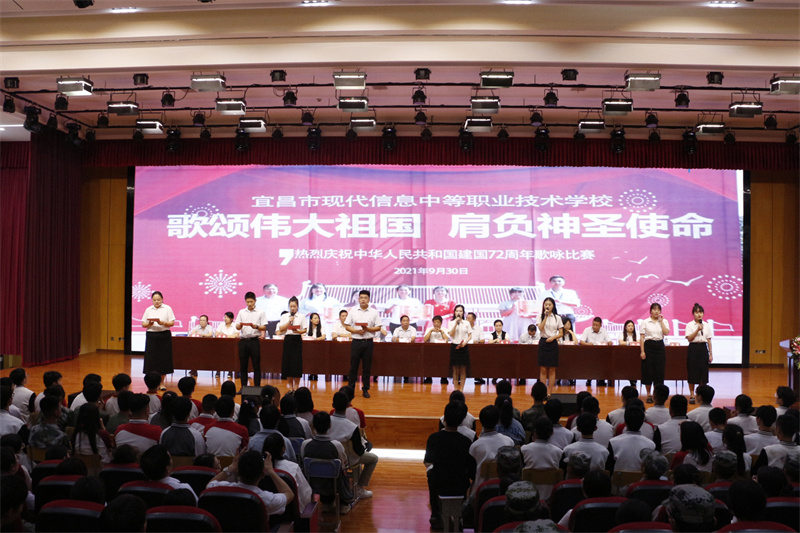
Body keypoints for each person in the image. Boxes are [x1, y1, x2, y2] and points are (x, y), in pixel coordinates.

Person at [424, 401, 476, 530]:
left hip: (439, 485)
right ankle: (458, 516)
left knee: (432, 474)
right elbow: (472, 471)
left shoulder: (434, 438)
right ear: (461, 421)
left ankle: (435, 514)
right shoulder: (466, 441)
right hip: (460, 486)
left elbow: (428, 461)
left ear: (444, 418)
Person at [345, 290, 382, 399]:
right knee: (353, 367)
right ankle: (351, 389)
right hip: (356, 342)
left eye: (365, 298)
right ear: (358, 299)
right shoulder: (353, 310)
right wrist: (356, 331)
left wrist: (367, 329)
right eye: (361, 298)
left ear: (369, 299)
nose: (363, 300)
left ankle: (365, 389)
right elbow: (347, 326)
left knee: (366, 367)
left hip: (368, 342)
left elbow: (378, 327)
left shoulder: (374, 312)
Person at [261, 432, 312, 510]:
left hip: (265, 512)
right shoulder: (293, 468)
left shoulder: (258, 469)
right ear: (283, 449)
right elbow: (306, 496)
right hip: (291, 514)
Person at [141, 291, 176, 387]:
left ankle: (162, 382)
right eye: (154, 300)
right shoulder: (148, 309)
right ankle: (152, 383)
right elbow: (143, 324)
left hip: (164, 336)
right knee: (151, 359)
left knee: (164, 359)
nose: (156, 302)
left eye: (158, 300)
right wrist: (149, 324)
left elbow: (172, 323)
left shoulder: (167, 308)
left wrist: (163, 322)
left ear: (162, 299)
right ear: (152, 300)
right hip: (151, 336)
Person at [235, 291, 267, 389]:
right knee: (243, 366)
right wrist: (239, 326)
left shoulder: (261, 312)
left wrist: (256, 326)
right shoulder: (241, 312)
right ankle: (243, 387)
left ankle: (257, 388)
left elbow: (264, 327)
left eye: (251, 302)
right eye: (247, 302)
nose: (249, 304)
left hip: (254, 341)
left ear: (255, 301)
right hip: (243, 341)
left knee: (256, 365)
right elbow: (237, 327)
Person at [640, 302, 669, 403]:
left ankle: (657, 394)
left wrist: (661, 322)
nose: (656, 311)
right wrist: (642, 351)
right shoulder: (645, 322)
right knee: (648, 371)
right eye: (654, 309)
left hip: (660, 346)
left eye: (658, 310)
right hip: (649, 346)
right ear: (650, 311)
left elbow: (666, 333)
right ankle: (648, 394)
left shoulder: (664, 321)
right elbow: (642, 337)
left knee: (659, 371)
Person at [277, 296, 307, 392]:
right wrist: (289, 322)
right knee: (288, 363)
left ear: (297, 306)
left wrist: (298, 331)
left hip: (297, 340)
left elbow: (304, 330)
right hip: (288, 340)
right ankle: (290, 386)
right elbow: (281, 329)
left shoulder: (302, 316)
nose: (293, 308)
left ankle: (296, 387)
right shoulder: (284, 316)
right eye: (291, 306)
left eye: (294, 306)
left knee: (297, 363)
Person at [684, 303, 713, 403]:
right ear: (693, 314)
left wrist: (710, 353)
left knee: (703, 372)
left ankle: (702, 395)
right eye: (697, 312)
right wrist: (697, 329)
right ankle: (692, 395)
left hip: (703, 348)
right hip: (693, 348)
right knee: (692, 371)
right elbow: (689, 338)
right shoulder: (689, 325)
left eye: (701, 312)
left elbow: (709, 340)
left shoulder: (707, 325)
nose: (699, 314)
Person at [537, 297, 564, 388]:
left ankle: (550, 392)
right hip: (543, 342)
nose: (547, 306)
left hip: (553, 343)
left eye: (549, 304)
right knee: (543, 369)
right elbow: (540, 328)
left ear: (553, 306)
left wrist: (553, 338)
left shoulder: (557, 318)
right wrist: (545, 316)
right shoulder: (540, 316)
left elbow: (561, 333)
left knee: (552, 369)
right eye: (546, 304)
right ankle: (543, 391)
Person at [580, 316, 613, 387]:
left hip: (601, 353)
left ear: (600, 325)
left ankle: (601, 379)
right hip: (589, 353)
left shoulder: (604, 331)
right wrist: (587, 344)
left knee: (605, 360)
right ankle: (589, 379)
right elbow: (581, 341)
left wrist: (608, 343)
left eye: (596, 325)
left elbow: (610, 341)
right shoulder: (587, 330)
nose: (594, 326)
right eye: (593, 324)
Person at [447, 305, 472, 391]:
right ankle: (455, 389)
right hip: (454, 347)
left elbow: (470, 335)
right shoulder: (451, 323)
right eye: (457, 311)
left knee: (463, 369)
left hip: (463, 347)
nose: (459, 313)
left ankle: (461, 389)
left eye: (460, 311)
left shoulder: (466, 323)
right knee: (455, 369)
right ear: (454, 312)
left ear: (463, 313)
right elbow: (451, 334)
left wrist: (465, 342)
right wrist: (455, 324)